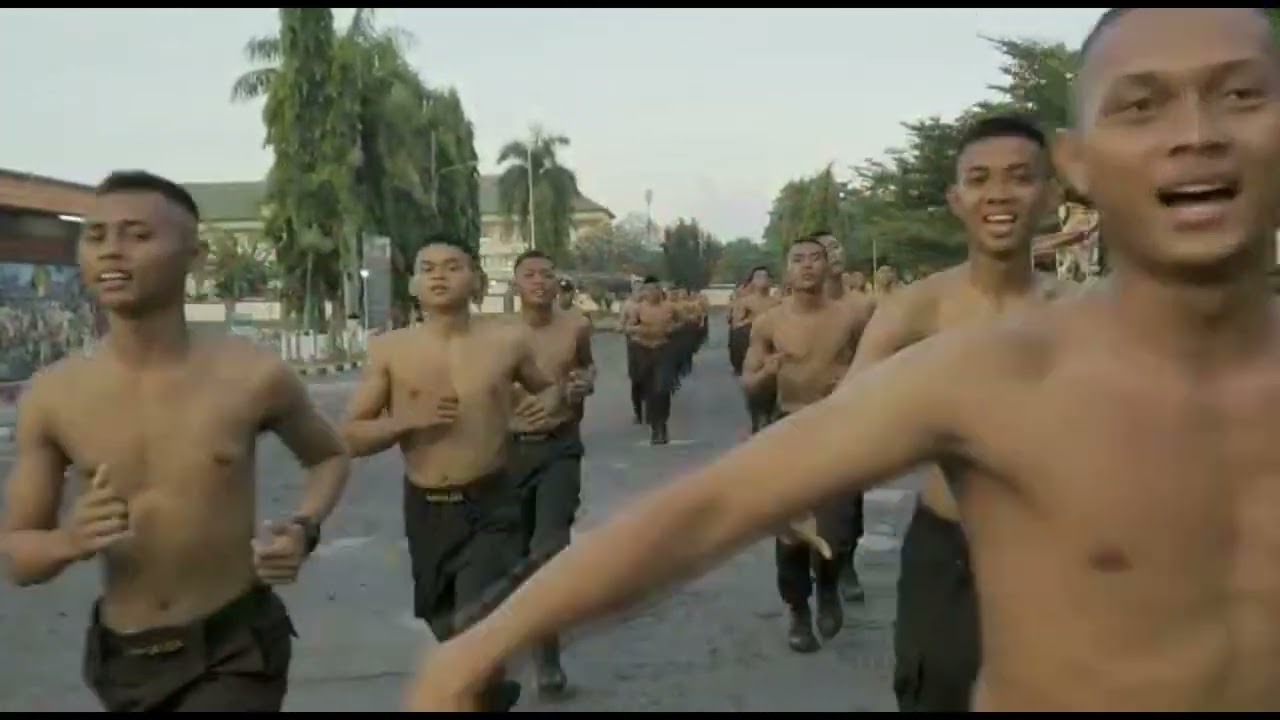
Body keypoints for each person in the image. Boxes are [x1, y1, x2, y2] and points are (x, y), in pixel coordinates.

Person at [404, 7, 1280, 711]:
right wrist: (476, 649)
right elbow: (714, 506)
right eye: (1143, 104)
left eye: (1241, 95)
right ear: (1081, 165)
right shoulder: (996, 372)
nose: (1196, 134)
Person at [0, 171, 352, 713]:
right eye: (96, 236)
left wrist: (303, 528)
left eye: (138, 236)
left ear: (196, 255)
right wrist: (70, 540)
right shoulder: (54, 397)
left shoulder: (253, 375)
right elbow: (19, 556)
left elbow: (328, 456)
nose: (112, 252)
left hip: (233, 645)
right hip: (123, 658)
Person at [842, 114, 1073, 711]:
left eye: (1020, 178)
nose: (998, 194)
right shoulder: (914, 311)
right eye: (979, 179)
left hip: (1059, 546)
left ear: (1050, 195)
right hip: (948, 548)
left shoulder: (1085, 314)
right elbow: (844, 425)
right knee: (938, 691)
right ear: (956, 198)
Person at [341, 235, 565, 712]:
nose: (439, 275)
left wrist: (543, 409)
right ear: (413, 284)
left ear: (477, 280)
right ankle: (487, 690)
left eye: (452, 266)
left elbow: (550, 391)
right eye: (428, 268)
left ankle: (479, 685)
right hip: (427, 509)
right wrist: (407, 420)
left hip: (492, 502)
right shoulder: (390, 350)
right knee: (442, 621)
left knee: (473, 625)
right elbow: (350, 437)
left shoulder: (507, 341)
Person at [740, 235, 874, 653]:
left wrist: (855, 380)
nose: (808, 266)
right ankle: (798, 608)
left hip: (838, 428)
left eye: (816, 258)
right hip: (789, 429)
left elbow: (880, 363)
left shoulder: (853, 316)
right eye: (798, 259)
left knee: (837, 526)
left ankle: (829, 585)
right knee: (792, 532)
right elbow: (748, 381)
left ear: (828, 265)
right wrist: (767, 372)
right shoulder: (769, 323)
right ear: (787, 269)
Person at [504, 251, 595, 696]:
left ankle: (547, 656)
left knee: (549, 551)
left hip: (560, 448)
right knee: (516, 558)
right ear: (515, 284)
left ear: (558, 282)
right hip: (506, 454)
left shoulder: (575, 325)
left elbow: (585, 366)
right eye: (530, 275)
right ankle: (519, 645)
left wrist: (583, 382)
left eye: (547, 274)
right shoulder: (495, 334)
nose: (540, 282)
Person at [622, 277, 677, 445]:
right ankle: (655, 428)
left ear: (660, 291)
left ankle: (662, 425)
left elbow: (683, 321)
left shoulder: (670, 308)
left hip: (663, 349)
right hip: (644, 350)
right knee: (650, 390)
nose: (652, 294)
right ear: (645, 293)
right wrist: (640, 329)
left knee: (662, 389)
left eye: (655, 290)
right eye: (648, 290)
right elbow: (628, 327)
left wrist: (672, 329)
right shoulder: (639, 309)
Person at [729, 267, 780, 431]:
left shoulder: (777, 303)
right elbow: (736, 325)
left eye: (766, 276)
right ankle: (756, 417)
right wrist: (755, 321)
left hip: (773, 346)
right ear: (752, 282)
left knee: (774, 382)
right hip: (750, 345)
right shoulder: (745, 302)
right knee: (753, 384)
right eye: (758, 277)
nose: (763, 280)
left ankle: (770, 414)